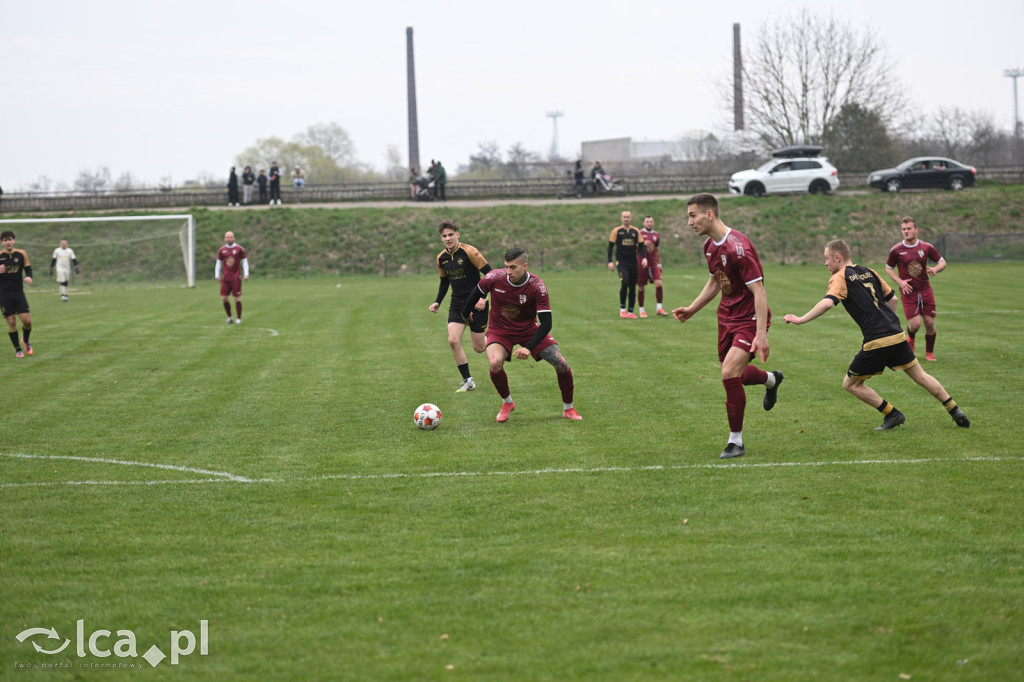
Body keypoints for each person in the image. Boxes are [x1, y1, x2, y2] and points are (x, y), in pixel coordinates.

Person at [783, 239, 969, 431]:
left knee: (851, 384)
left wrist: (801, 319)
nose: (825, 263)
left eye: (827, 259)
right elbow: (893, 299)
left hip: (877, 339)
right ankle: (954, 410)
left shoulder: (840, 277)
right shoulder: (869, 271)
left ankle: (892, 414)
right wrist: (887, 321)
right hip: (896, 333)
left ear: (837, 257)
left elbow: (828, 302)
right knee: (920, 375)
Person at [672, 193, 783, 459]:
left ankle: (736, 442)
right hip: (726, 317)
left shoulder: (739, 248)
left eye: (692, 215)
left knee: (729, 372)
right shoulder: (710, 246)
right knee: (732, 374)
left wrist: (761, 335)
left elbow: (759, 291)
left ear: (709, 214)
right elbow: (715, 281)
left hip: (749, 318)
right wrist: (692, 309)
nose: (689, 222)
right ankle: (771, 379)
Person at [461, 247, 581, 422]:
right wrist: (465, 314)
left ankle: (568, 409)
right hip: (500, 330)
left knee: (561, 363)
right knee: (495, 363)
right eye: (506, 267)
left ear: (525, 266)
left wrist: (528, 347)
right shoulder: (494, 278)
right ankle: (507, 403)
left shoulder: (537, 286)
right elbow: (475, 293)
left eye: (513, 267)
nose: (508, 271)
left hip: (529, 330)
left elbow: (547, 323)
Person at [429, 220, 491, 392]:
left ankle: (499, 342)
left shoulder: (469, 251)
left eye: (450, 235)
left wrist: (483, 297)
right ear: (441, 238)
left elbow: (490, 275)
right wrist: (437, 302)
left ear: (457, 234)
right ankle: (468, 381)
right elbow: (444, 282)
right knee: (453, 340)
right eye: (444, 236)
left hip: (477, 302)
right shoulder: (441, 258)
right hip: (457, 303)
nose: (448, 238)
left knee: (479, 348)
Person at [885, 216, 946, 361]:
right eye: (903, 229)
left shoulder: (926, 247)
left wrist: (936, 269)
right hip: (908, 292)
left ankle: (929, 353)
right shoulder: (897, 250)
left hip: (925, 289)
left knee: (929, 323)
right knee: (915, 324)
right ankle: (910, 339)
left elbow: (942, 262)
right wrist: (900, 281)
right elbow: (888, 268)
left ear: (916, 229)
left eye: (909, 229)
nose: (906, 232)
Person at [0, 230, 34, 358]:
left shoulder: (21, 253)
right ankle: (18, 349)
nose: (8, 242)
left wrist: (29, 277)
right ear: (2, 242)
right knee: (12, 322)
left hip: (18, 292)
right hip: (3, 294)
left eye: (10, 239)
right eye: (5, 240)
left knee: (27, 321)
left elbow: (28, 268)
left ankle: (25, 340)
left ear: (14, 241)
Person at [607, 210, 646, 318]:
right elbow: (610, 246)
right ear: (621, 219)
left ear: (631, 218)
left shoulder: (635, 231)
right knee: (625, 282)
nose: (626, 219)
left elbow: (642, 245)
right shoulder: (617, 231)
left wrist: (644, 258)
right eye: (624, 217)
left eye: (628, 217)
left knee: (633, 286)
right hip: (621, 262)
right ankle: (622, 309)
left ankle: (631, 311)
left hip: (633, 262)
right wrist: (610, 261)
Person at [637, 215, 668, 317]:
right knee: (641, 287)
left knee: (659, 284)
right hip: (642, 264)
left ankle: (659, 308)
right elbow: (635, 248)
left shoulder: (656, 235)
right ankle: (641, 310)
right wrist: (642, 245)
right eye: (647, 221)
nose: (649, 223)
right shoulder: (639, 234)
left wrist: (659, 264)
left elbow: (657, 250)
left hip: (653, 264)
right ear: (644, 223)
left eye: (651, 221)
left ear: (653, 223)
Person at [216, 231, 249, 324]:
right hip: (225, 278)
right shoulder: (221, 250)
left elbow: (244, 262)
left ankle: (239, 318)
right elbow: (218, 263)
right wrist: (217, 275)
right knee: (224, 298)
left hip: (235, 278)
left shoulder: (239, 249)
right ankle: (230, 317)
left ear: (234, 238)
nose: (229, 239)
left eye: (231, 237)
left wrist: (246, 274)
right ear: (224, 239)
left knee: (236, 298)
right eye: (227, 237)